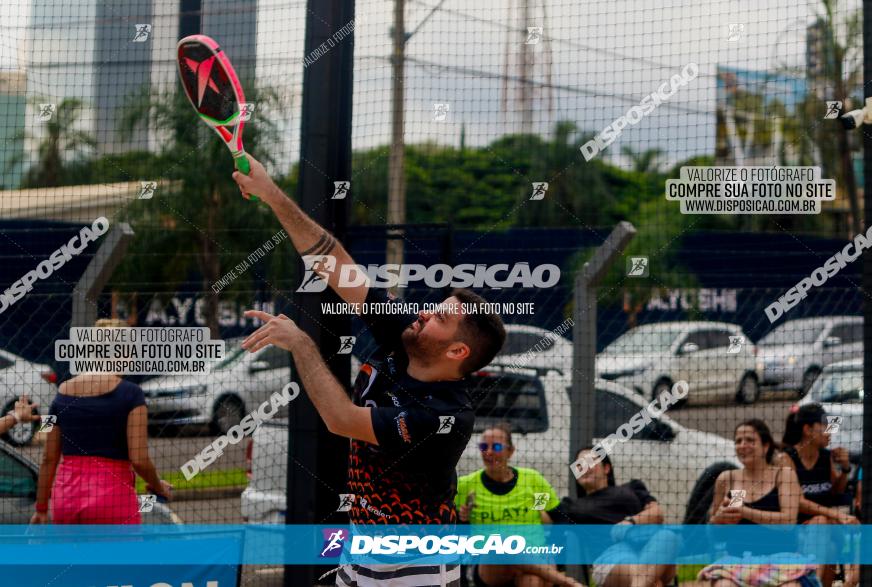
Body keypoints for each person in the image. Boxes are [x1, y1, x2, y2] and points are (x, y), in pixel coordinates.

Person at [233, 155, 506, 587]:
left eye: (439, 316)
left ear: (457, 350)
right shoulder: (405, 336)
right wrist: (270, 193)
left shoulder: (443, 417)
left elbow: (341, 419)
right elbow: (333, 260)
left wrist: (302, 345)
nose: (424, 312)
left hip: (416, 566)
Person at [31, 319, 171, 525]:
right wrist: (158, 486)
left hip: (66, 500)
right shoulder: (131, 394)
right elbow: (139, 459)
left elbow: (48, 458)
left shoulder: (61, 393)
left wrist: (41, 508)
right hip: (112, 499)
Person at [455, 423, 583, 587]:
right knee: (499, 543)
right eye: (483, 446)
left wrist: (552, 551)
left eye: (497, 446)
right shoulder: (466, 485)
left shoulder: (532, 480)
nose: (489, 452)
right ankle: (566, 581)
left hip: (533, 559)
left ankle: (548, 573)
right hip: (489, 565)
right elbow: (454, 529)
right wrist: (462, 517)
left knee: (532, 581)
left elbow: (560, 520)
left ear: (511, 451)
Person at [697, 419, 818, 587]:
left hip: (781, 560)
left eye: (750, 440)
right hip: (738, 561)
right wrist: (717, 521)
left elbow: (788, 522)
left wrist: (744, 512)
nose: (742, 445)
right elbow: (716, 536)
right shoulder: (729, 479)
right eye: (738, 441)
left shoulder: (783, 475)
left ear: (766, 446)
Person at [545, 446, 677, 587]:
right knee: (653, 582)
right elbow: (542, 516)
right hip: (611, 558)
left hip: (647, 545)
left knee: (668, 537)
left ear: (606, 468)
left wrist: (630, 522)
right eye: (579, 466)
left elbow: (657, 514)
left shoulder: (632, 487)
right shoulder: (571, 506)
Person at [774, 404, 858, 586]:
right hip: (795, 531)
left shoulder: (825, 457)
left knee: (828, 528)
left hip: (826, 529)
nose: (830, 431)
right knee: (830, 548)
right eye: (825, 426)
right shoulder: (786, 459)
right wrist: (836, 515)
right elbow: (797, 502)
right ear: (808, 430)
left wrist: (845, 469)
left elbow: (836, 491)